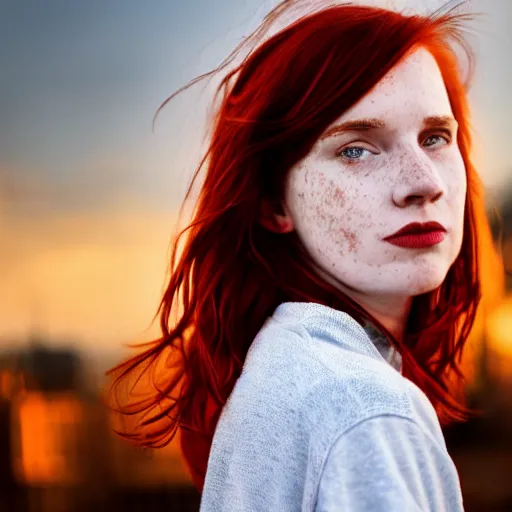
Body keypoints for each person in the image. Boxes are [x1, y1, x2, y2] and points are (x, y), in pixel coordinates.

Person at [107, 1, 505, 510]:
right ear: (274, 201)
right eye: (356, 148)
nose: (424, 184)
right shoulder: (364, 409)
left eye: (435, 138)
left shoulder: (282, 368)